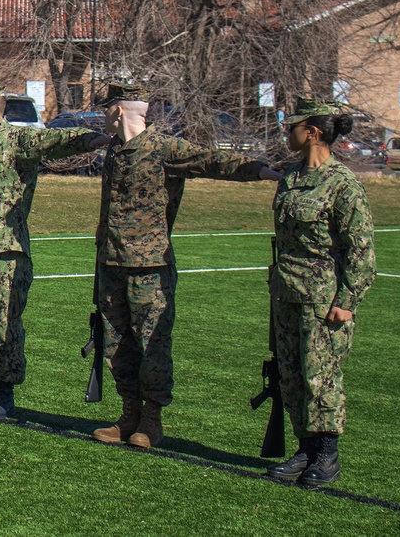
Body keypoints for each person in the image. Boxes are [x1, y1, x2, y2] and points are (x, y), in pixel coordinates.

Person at [92, 82, 280, 449]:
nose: (104, 116)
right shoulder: (115, 151)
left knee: (152, 346)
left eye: (106, 110)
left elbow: (214, 161)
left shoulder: (163, 149)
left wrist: (260, 170)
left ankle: (151, 420)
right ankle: (128, 414)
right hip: (111, 264)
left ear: (117, 111)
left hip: (150, 268)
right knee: (117, 345)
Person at [0, 79, 110, 420]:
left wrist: (97, 137)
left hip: (4, 254)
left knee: (5, 326)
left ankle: (4, 394)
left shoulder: (17, 140)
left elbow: (57, 140)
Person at [265, 98, 375, 487]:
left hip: (322, 297)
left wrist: (347, 302)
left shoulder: (342, 184)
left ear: (312, 132)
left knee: (320, 377)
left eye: (294, 125)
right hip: (287, 292)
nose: (287, 131)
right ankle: (305, 448)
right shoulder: (291, 177)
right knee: (292, 374)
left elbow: (361, 250)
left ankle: (327, 455)